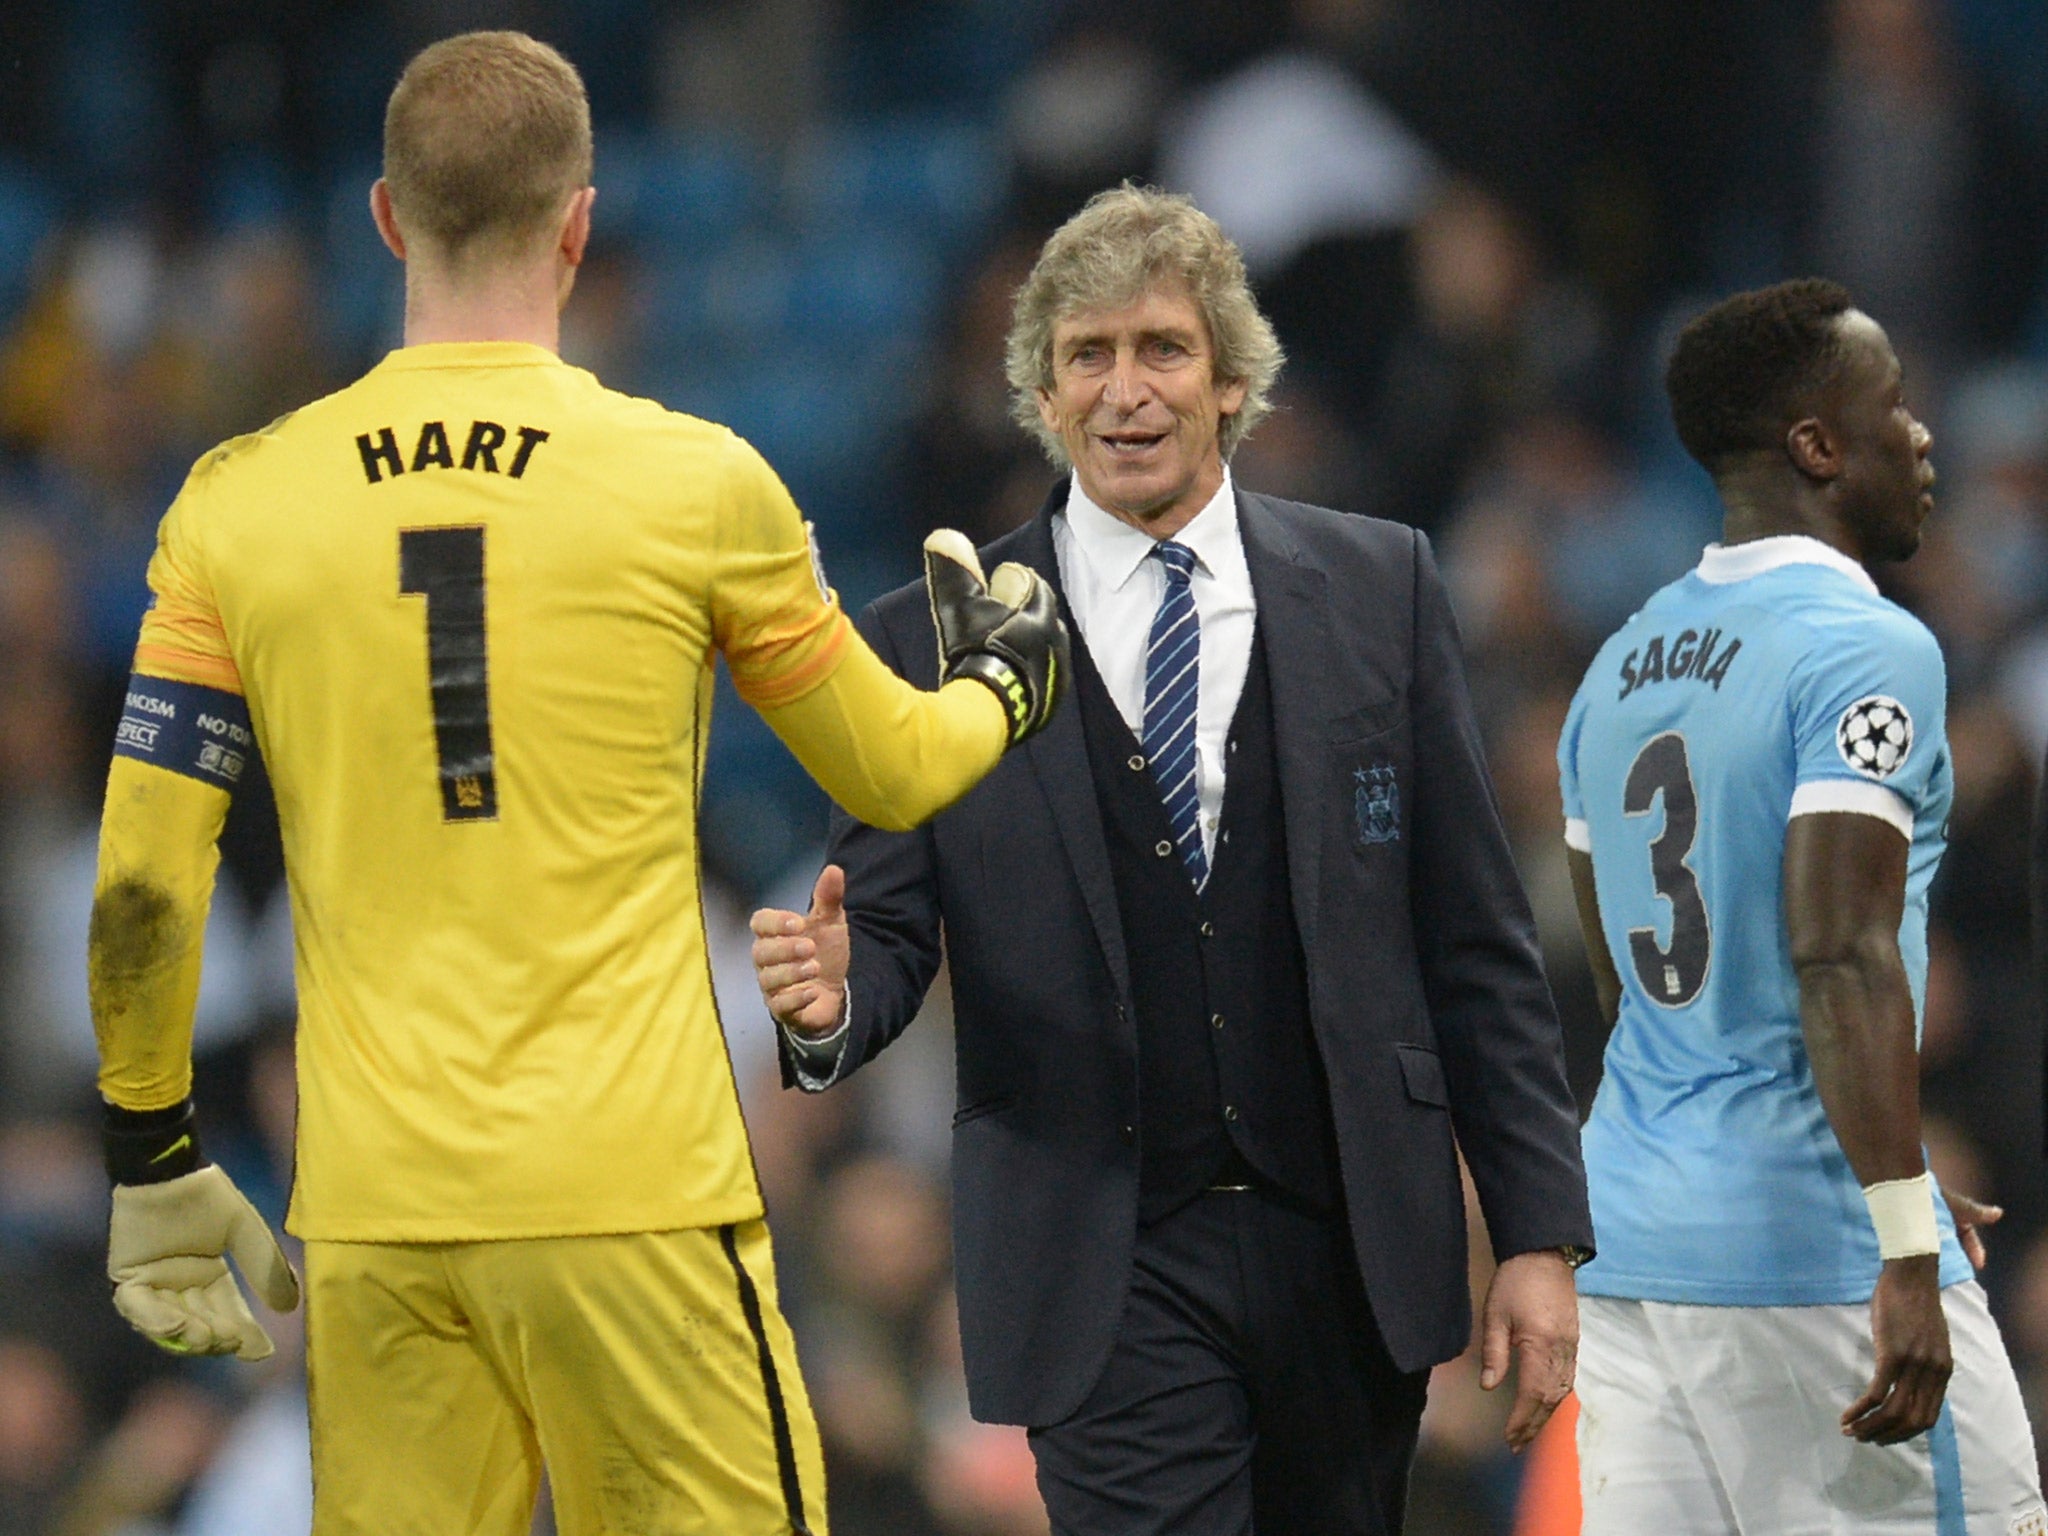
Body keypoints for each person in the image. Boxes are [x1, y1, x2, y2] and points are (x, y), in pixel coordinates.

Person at [86, 30, 1065, 1536]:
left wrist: (153, 1156)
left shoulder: (238, 506)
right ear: (583, 222)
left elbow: (148, 877)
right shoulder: (696, 484)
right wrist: (1008, 677)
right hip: (634, 1202)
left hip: (378, 1217)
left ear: (388, 220)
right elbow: (895, 761)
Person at [750, 183, 1593, 1535]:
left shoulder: (1383, 587)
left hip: (1351, 1253)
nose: (1125, 389)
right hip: (1099, 1265)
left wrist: (1540, 1237)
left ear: (1232, 381)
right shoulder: (925, 631)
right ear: (1039, 388)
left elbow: (1474, 945)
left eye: (1162, 349)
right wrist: (840, 999)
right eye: (1088, 354)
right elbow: (891, 933)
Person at [1558, 277, 2045, 1534]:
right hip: (1805, 1252)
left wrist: (1902, 1152)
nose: (1922, 434)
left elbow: (1622, 986)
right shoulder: (1862, 645)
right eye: (1892, 405)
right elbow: (1837, 953)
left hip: (1631, 1251)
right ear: (1817, 447)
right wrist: (1900, 1232)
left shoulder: (1614, 665)